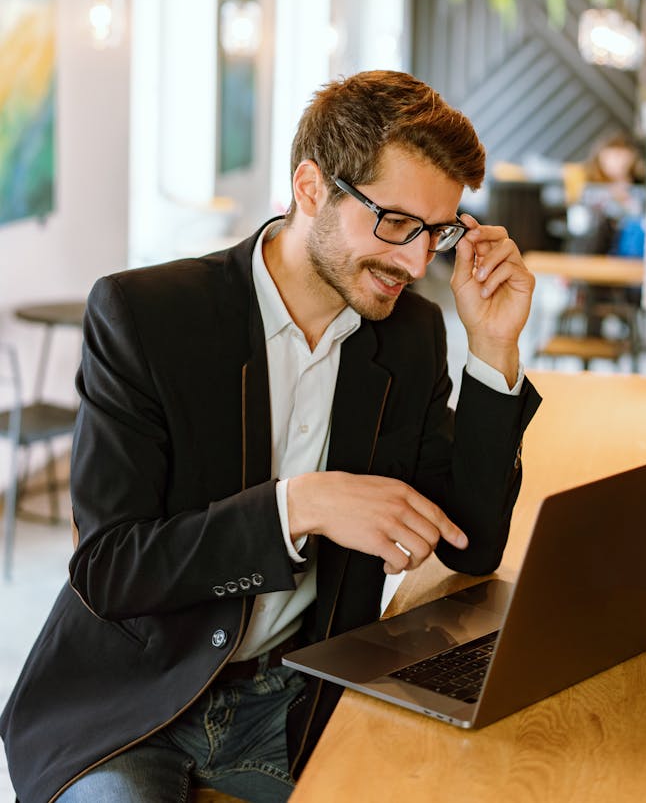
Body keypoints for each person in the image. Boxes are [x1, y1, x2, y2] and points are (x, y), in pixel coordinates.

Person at [1, 70, 541, 803]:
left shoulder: (409, 337)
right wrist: (298, 507)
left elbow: (470, 542)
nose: (417, 264)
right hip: (130, 704)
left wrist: (493, 349)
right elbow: (109, 567)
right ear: (312, 189)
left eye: (437, 233)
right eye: (395, 223)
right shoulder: (147, 317)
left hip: (295, 705)